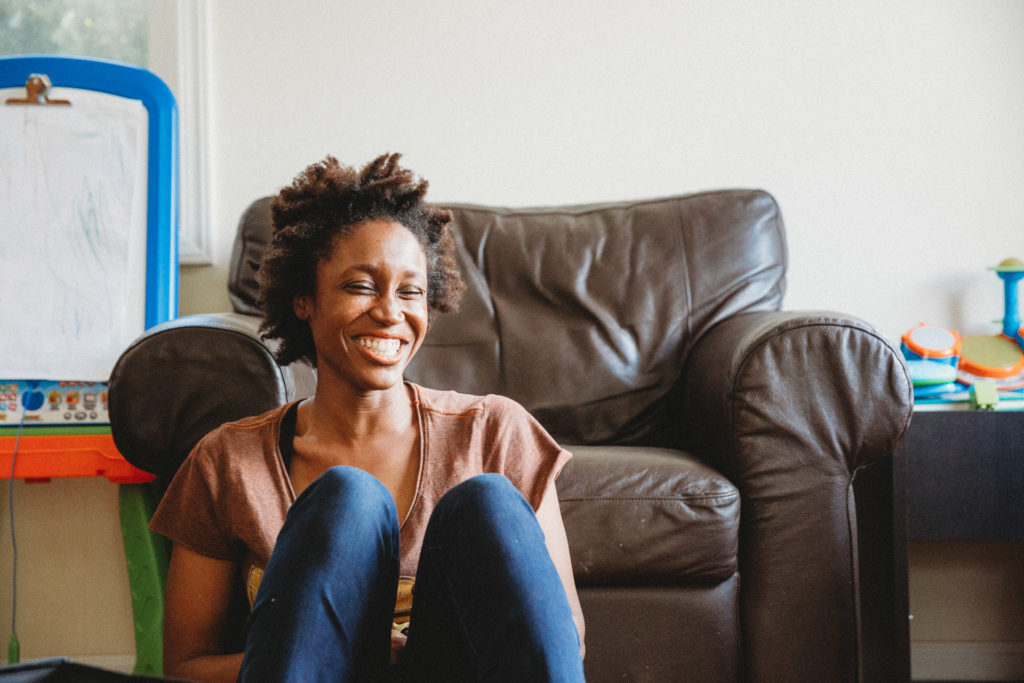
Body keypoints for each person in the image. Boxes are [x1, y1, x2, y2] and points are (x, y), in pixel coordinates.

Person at [149, 153, 586, 682]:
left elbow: (567, 640)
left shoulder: (495, 432)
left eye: (410, 291)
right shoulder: (229, 460)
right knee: (347, 501)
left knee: (488, 501)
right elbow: (184, 670)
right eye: (360, 286)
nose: (390, 312)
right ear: (304, 299)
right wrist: (352, 652)